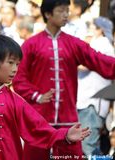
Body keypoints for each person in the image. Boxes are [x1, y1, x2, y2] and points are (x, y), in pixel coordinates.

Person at [0, 34, 91, 160]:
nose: (15, 69)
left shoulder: (16, 101)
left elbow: (38, 129)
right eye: (10, 63)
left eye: (17, 64)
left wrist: (64, 135)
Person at [12, 0, 115, 159]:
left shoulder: (73, 43)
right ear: (47, 14)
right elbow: (18, 78)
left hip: (68, 119)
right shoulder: (31, 44)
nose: (66, 14)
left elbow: (98, 60)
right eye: (61, 10)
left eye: (67, 10)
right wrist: (36, 96)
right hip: (39, 119)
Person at [77, 16, 115, 157]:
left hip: (91, 104)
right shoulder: (98, 43)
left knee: (88, 146)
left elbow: (82, 64)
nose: (89, 30)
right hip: (86, 103)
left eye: (93, 27)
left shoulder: (102, 44)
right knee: (83, 146)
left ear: (101, 30)